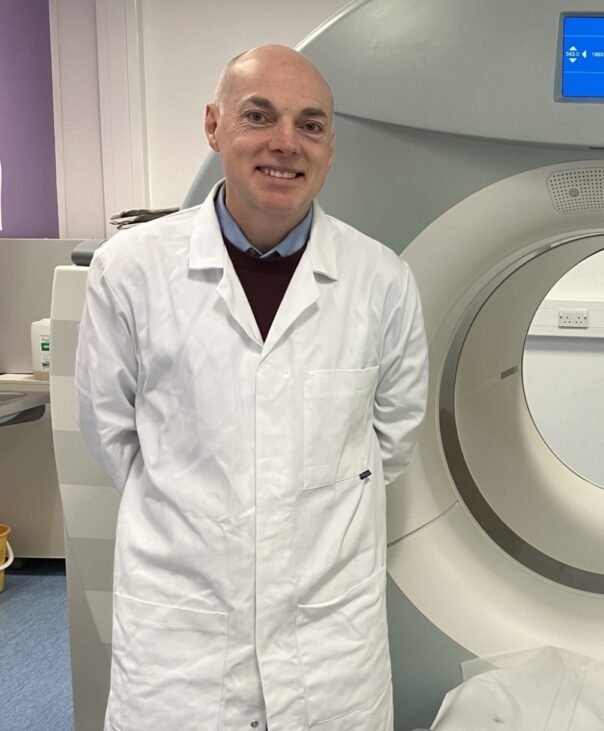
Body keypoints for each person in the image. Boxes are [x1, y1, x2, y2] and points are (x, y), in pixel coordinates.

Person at [75, 45, 428, 730]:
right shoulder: (131, 272)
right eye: (259, 116)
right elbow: (109, 430)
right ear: (214, 126)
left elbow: (391, 436)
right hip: (184, 632)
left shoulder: (380, 280)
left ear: (331, 146)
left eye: (311, 125)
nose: (285, 144)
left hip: (326, 634)